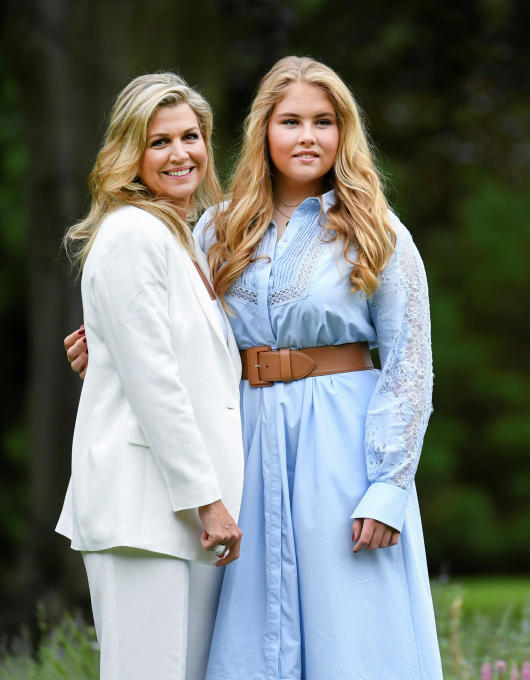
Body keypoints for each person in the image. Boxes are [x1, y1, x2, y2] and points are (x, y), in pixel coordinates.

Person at [66, 56, 442, 679]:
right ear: (263, 130)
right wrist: (104, 348)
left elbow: (410, 368)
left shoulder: (381, 234)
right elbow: (169, 330)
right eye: (290, 121)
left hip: (340, 447)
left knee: (346, 628)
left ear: (344, 133)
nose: (307, 137)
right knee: (248, 628)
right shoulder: (218, 228)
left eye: (324, 122)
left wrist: (389, 486)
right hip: (245, 443)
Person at [57, 73, 244, 680]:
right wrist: (209, 504)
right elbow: (155, 383)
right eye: (159, 141)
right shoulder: (132, 235)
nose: (180, 153)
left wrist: (103, 360)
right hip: (145, 508)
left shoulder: (184, 240)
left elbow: (173, 363)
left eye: (190, 136)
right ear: (130, 153)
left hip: (177, 514)